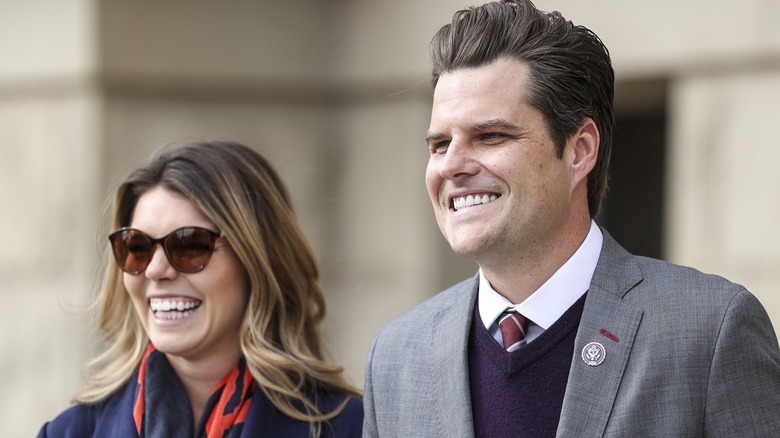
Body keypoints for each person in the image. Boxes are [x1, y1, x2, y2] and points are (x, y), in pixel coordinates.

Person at [363, 1, 780, 437]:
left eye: (490, 136)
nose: (452, 165)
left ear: (579, 151)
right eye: (440, 144)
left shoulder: (708, 332)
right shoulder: (396, 357)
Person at [39, 141, 363, 437]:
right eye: (137, 246)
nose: (154, 270)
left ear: (257, 262)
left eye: (190, 245)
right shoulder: (69, 432)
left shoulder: (350, 428)